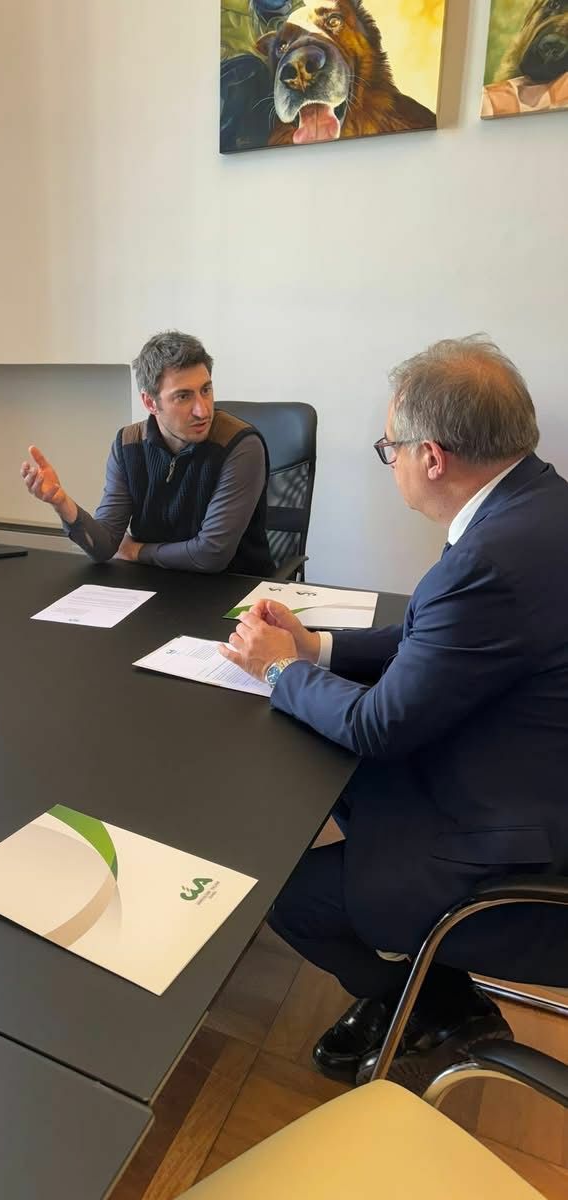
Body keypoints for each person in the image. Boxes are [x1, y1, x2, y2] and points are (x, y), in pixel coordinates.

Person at [221, 335, 568, 1092]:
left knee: (288, 890)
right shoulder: (538, 505)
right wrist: (315, 646)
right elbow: (431, 639)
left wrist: (278, 668)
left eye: (391, 449)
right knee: (331, 778)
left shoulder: (490, 560)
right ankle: (424, 991)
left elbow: (380, 725)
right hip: (528, 773)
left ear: (432, 457)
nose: (393, 463)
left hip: (519, 848)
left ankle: (439, 1008)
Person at [20, 331, 275, 575]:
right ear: (150, 402)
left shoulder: (240, 445)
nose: (202, 410)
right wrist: (62, 504)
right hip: (154, 582)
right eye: (183, 397)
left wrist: (135, 551)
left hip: (236, 588)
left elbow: (211, 554)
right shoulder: (128, 445)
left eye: (206, 390)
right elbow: (104, 546)